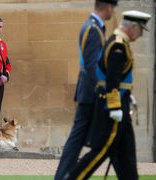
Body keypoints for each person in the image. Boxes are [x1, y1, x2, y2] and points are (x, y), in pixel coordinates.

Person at [63, 10, 151, 180]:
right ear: (133, 27)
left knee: (126, 155)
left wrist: (126, 95)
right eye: (140, 30)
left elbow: (118, 78)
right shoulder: (118, 45)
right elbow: (111, 78)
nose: (140, 35)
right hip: (112, 108)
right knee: (100, 152)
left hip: (120, 103)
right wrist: (115, 106)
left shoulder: (120, 43)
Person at [55, 0, 118, 179]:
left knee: (80, 139)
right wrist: (101, 89)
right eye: (112, 7)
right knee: (80, 139)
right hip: (91, 93)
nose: (113, 11)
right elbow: (91, 65)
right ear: (107, 6)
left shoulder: (94, 27)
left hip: (89, 91)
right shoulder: (92, 29)